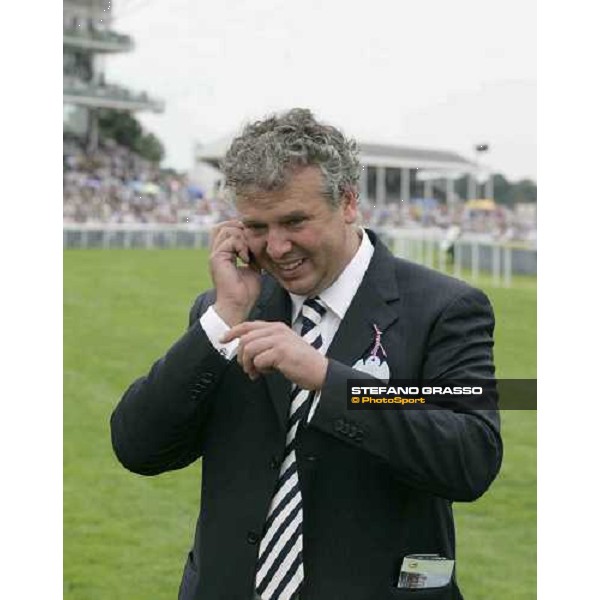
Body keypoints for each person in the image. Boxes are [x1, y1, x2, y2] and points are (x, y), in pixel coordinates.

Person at [110, 108, 502, 600]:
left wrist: (328, 380)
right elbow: (139, 448)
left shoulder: (444, 307)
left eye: (295, 221)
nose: (276, 247)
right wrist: (223, 315)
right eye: (256, 226)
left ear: (349, 202)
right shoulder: (225, 311)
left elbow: (470, 455)